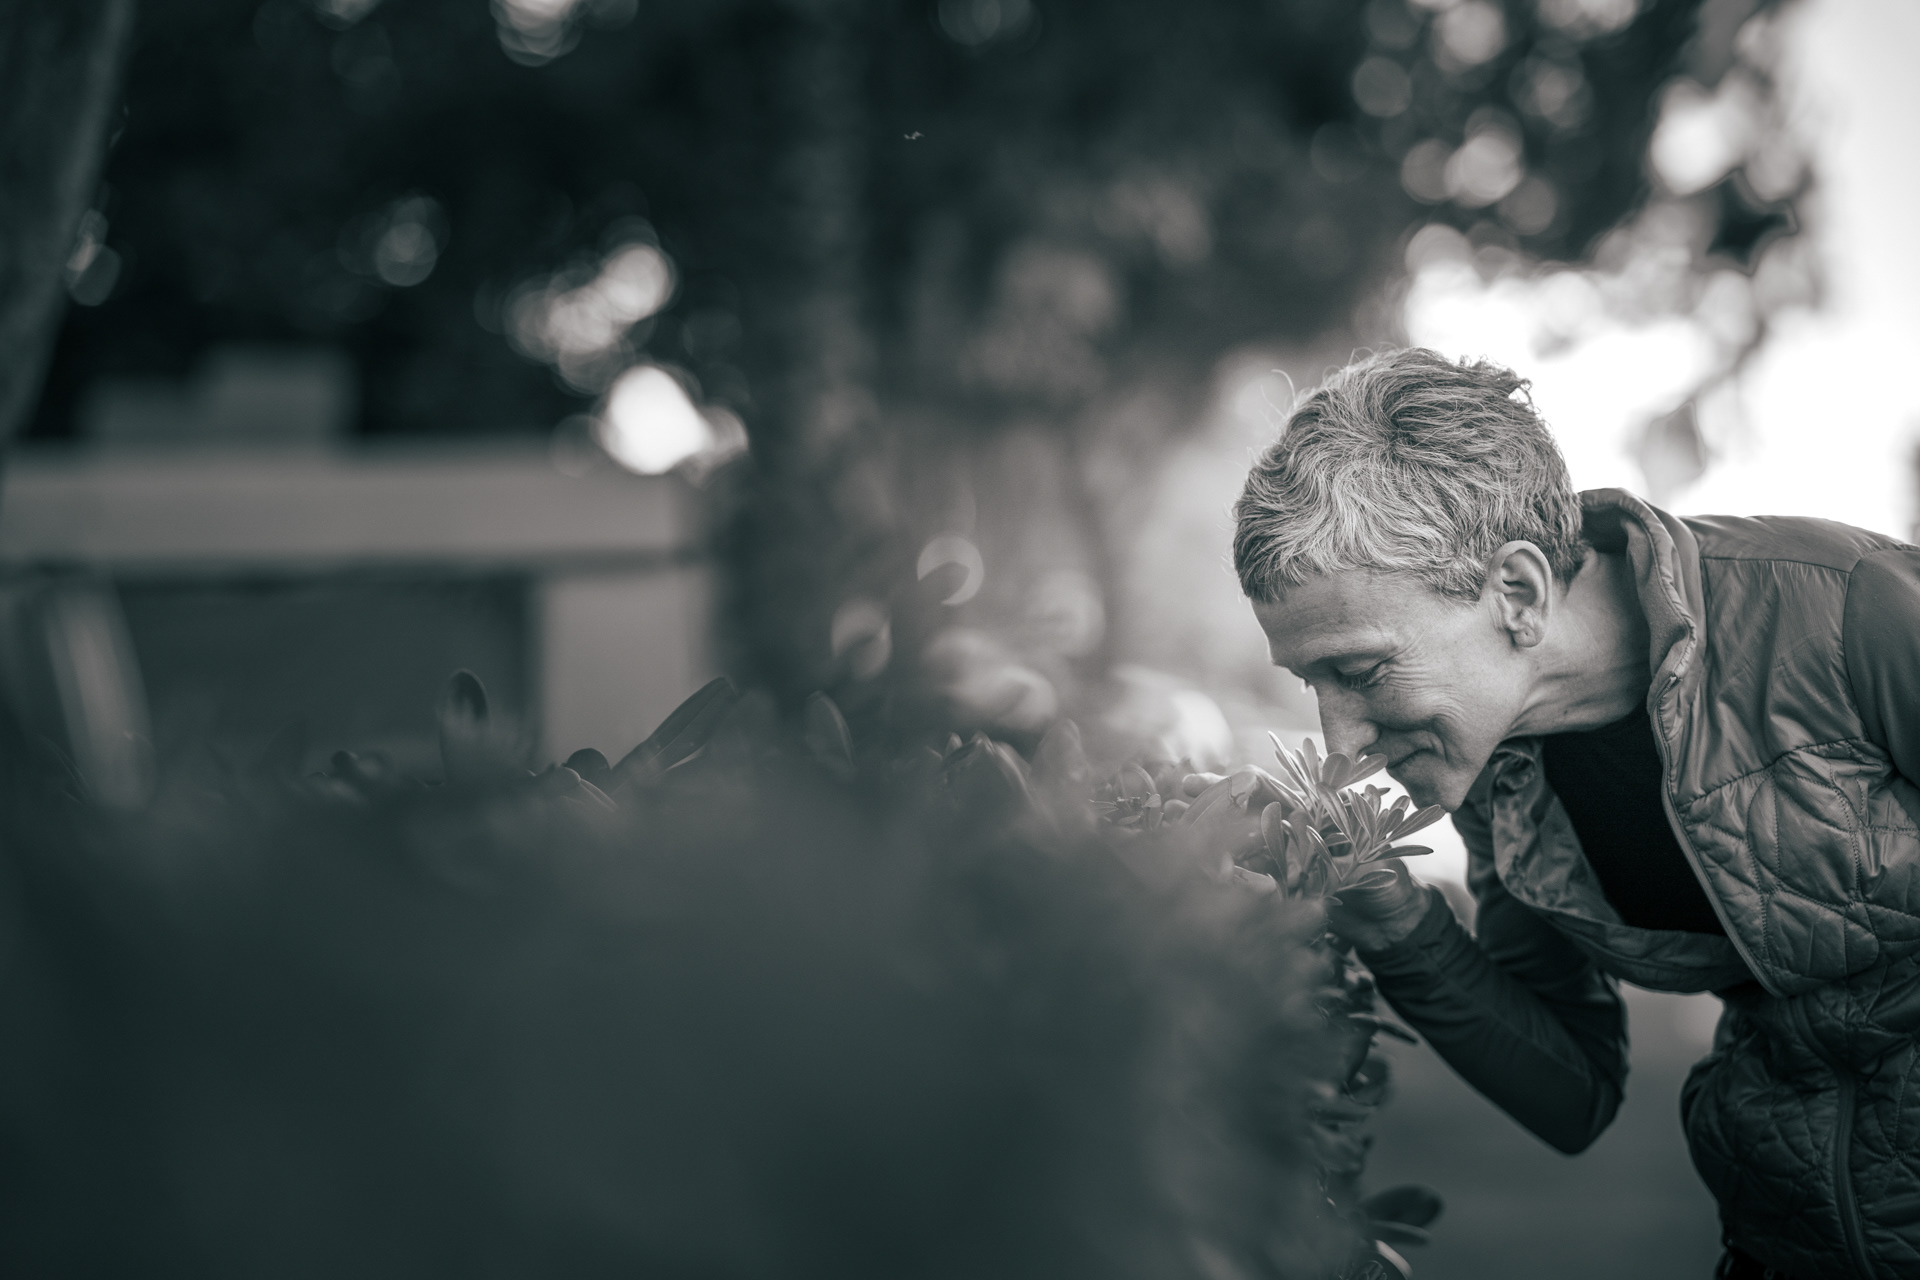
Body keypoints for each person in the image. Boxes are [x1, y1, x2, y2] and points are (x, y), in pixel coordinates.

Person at [1232, 347, 1920, 1279]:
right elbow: (1573, 1095)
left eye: (1359, 671)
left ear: (1517, 593)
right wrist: (1400, 927)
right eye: (1311, 683)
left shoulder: (1846, 613)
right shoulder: (1502, 773)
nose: (1338, 741)